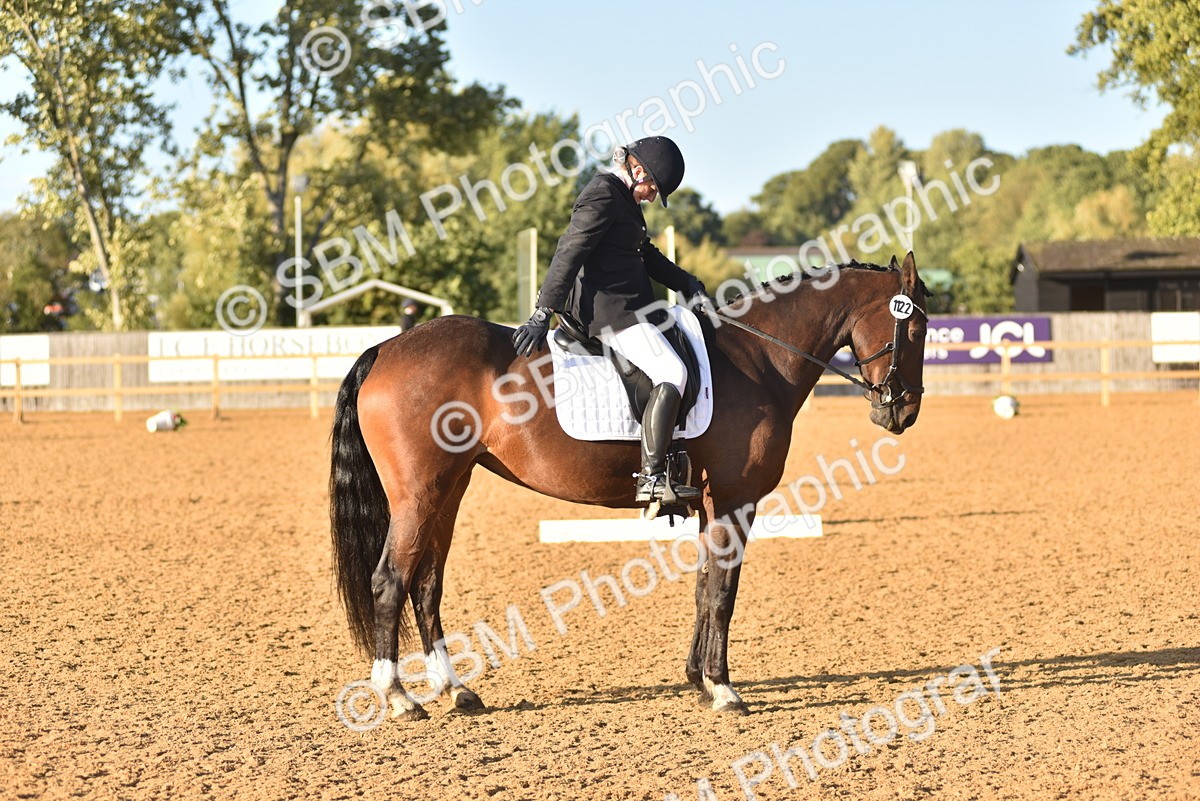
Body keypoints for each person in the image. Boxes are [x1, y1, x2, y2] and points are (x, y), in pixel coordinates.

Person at [511, 136, 712, 506]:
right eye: (653, 187)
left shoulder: (622, 198)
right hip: (611, 315)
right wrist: (544, 310)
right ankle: (652, 478)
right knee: (673, 373)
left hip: (630, 309)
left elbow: (643, 253)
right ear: (638, 171)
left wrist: (687, 283)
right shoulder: (603, 193)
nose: (652, 196)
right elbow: (570, 249)